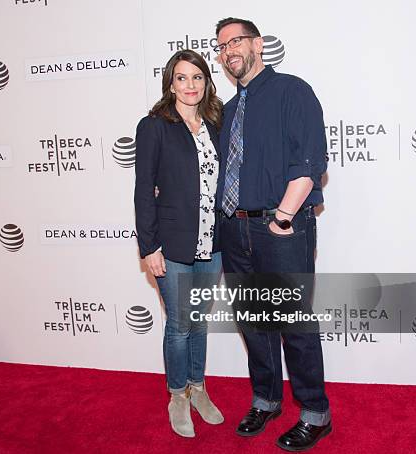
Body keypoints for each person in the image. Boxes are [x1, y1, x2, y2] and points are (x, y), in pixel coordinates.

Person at [213, 18, 331, 451]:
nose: (229, 51)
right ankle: (265, 399)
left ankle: (316, 413)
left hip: (279, 226)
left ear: (258, 44)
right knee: (253, 323)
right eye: (222, 46)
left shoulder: (292, 91)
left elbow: (309, 160)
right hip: (233, 228)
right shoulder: (225, 111)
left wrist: (282, 217)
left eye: (237, 41)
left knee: (293, 324)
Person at [134, 49, 224, 438]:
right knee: (180, 324)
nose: (190, 86)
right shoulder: (154, 126)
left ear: (207, 82)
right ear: (170, 83)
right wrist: (149, 247)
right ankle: (177, 396)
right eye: (182, 78)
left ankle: (198, 387)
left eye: (197, 78)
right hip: (172, 244)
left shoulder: (216, 124)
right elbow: (143, 192)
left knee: (199, 321)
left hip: (213, 241)